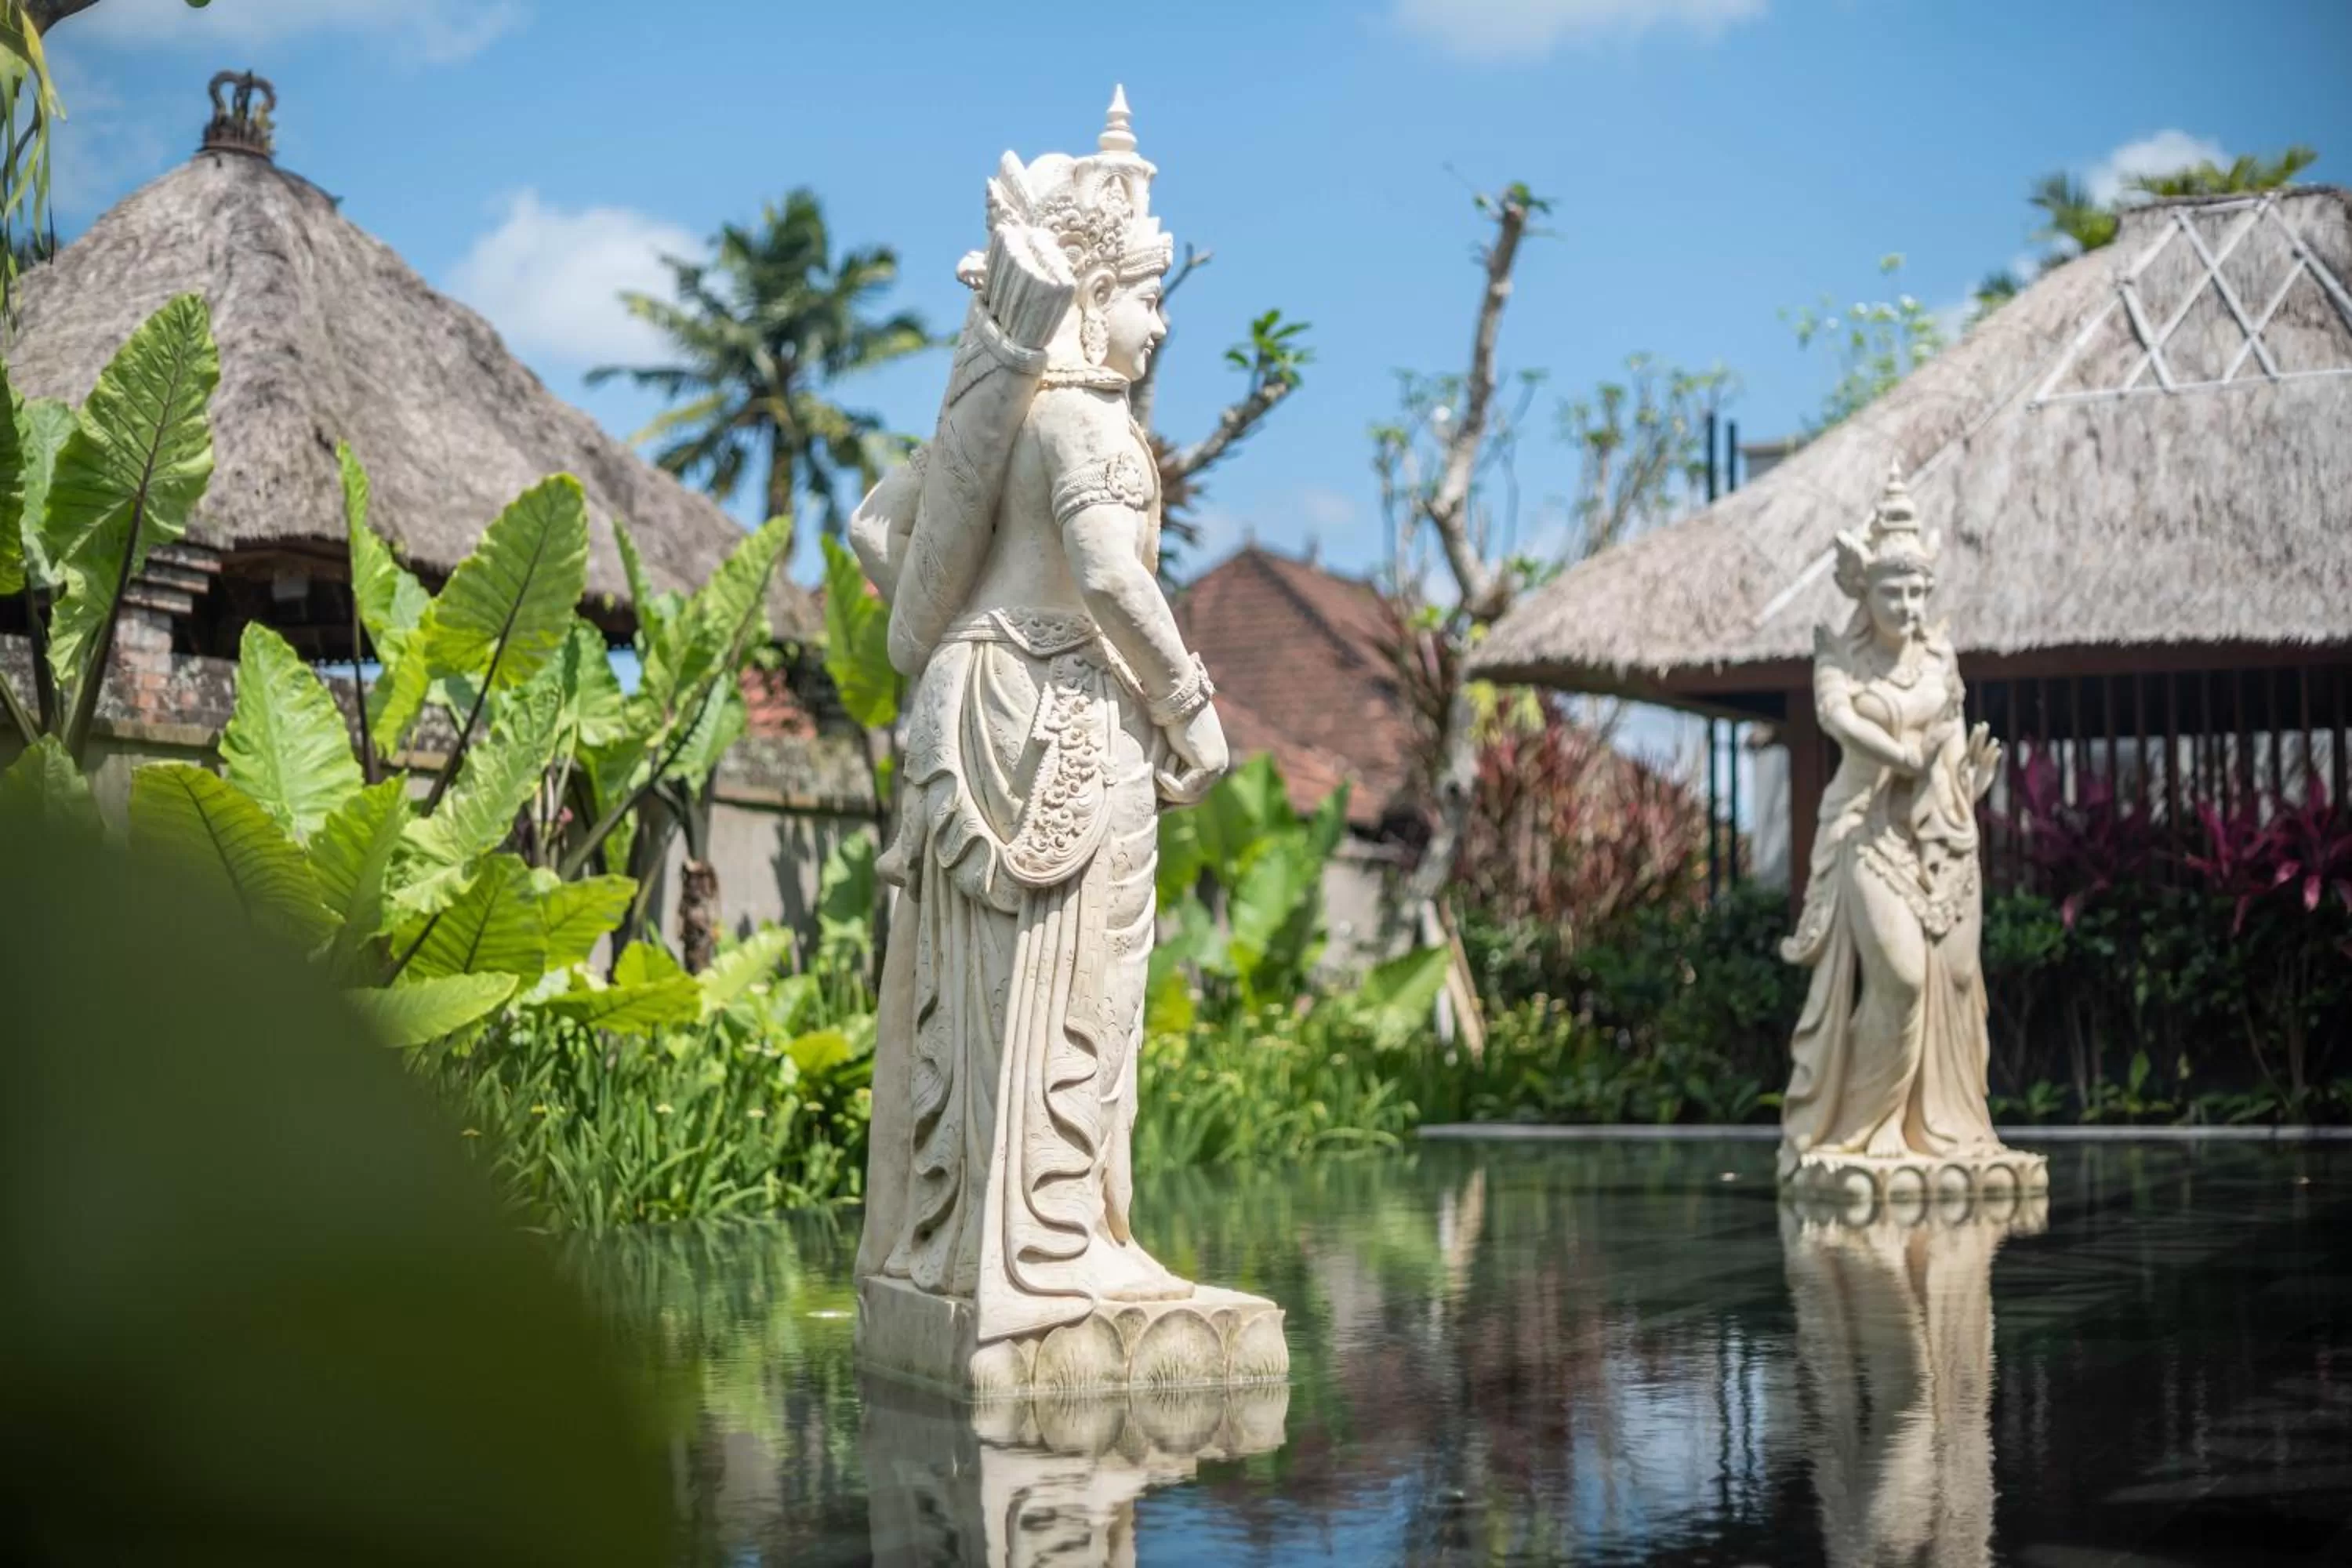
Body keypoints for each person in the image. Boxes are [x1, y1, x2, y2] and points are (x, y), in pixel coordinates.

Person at [848, 89, 1230, 1346]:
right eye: (1147, 298)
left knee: (981, 997)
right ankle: (1058, 1244)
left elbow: (876, 532)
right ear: (1090, 293)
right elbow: (1112, 575)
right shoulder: (1081, 422)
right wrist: (1188, 705)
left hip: (969, 696)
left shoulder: (1007, 413)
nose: (1158, 324)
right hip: (1059, 701)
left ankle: (966, 1241)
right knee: (1078, 987)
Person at [1779, 465, 2016, 1181]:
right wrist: (1904, 754)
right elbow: (1840, 721)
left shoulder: (1941, 657)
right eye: (1894, 592)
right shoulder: (1839, 658)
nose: (1909, 606)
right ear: (1865, 591)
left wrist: (1963, 785)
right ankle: (1864, 1127)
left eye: (1918, 592)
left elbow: (1950, 738)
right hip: (1865, 829)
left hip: (1940, 829)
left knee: (1956, 978)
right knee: (1905, 979)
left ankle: (1945, 1127)